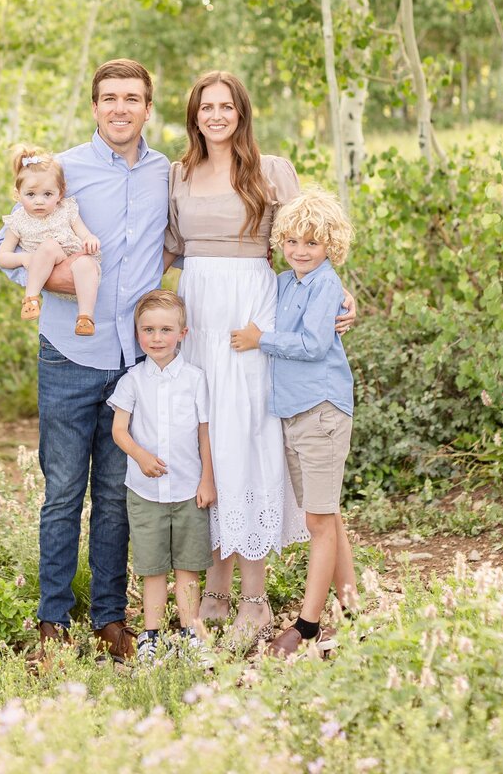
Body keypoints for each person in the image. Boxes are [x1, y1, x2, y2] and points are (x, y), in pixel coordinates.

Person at [164, 70, 357, 649]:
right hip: (198, 304)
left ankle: (255, 596)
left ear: (241, 113)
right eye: (206, 107)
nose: (216, 116)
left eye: (227, 106)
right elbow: (167, 251)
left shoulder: (270, 170)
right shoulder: (177, 173)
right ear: (194, 114)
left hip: (252, 306)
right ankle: (217, 588)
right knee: (210, 435)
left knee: (249, 434)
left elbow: (310, 240)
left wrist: (344, 296)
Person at [0, 60, 170, 662]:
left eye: (133, 99)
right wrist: (56, 274)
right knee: (64, 492)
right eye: (110, 98)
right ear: (95, 106)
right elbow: (2, 246)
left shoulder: (166, 174)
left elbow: (192, 241)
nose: (121, 108)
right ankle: (52, 624)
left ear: (148, 107)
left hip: (133, 361)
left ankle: (111, 620)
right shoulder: (62, 169)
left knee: (118, 494)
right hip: (70, 353)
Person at [231, 186, 358, 658]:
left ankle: (306, 625)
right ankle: (354, 609)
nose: (301, 251)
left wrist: (260, 340)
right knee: (327, 514)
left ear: (330, 246)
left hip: (321, 409)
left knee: (319, 519)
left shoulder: (325, 284)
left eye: (312, 243)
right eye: (293, 243)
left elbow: (313, 345)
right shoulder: (287, 282)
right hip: (293, 412)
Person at [108, 289, 216, 663]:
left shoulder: (195, 379)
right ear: (137, 333)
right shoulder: (132, 381)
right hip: (145, 491)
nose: (156, 338)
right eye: (148, 330)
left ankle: (192, 636)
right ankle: (151, 638)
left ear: (182, 334)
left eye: (165, 330)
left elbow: (205, 433)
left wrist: (208, 480)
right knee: (152, 569)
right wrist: (140, 456)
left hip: (189, 489)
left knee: (188, 568)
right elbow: (119, 431)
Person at [0, 145, 101, 334]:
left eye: (47, 194)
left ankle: (85, 317)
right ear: (18, 194)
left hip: (75, 267)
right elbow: (1, 256)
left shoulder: (66, 210)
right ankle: (31, 299)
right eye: (30, 194)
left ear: (60, 193)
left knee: (86, 263)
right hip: (47, 269)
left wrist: (90, 239)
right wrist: (25, 259)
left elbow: (84, 233)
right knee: (49, 246)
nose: (39, 201)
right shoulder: (18, 221)